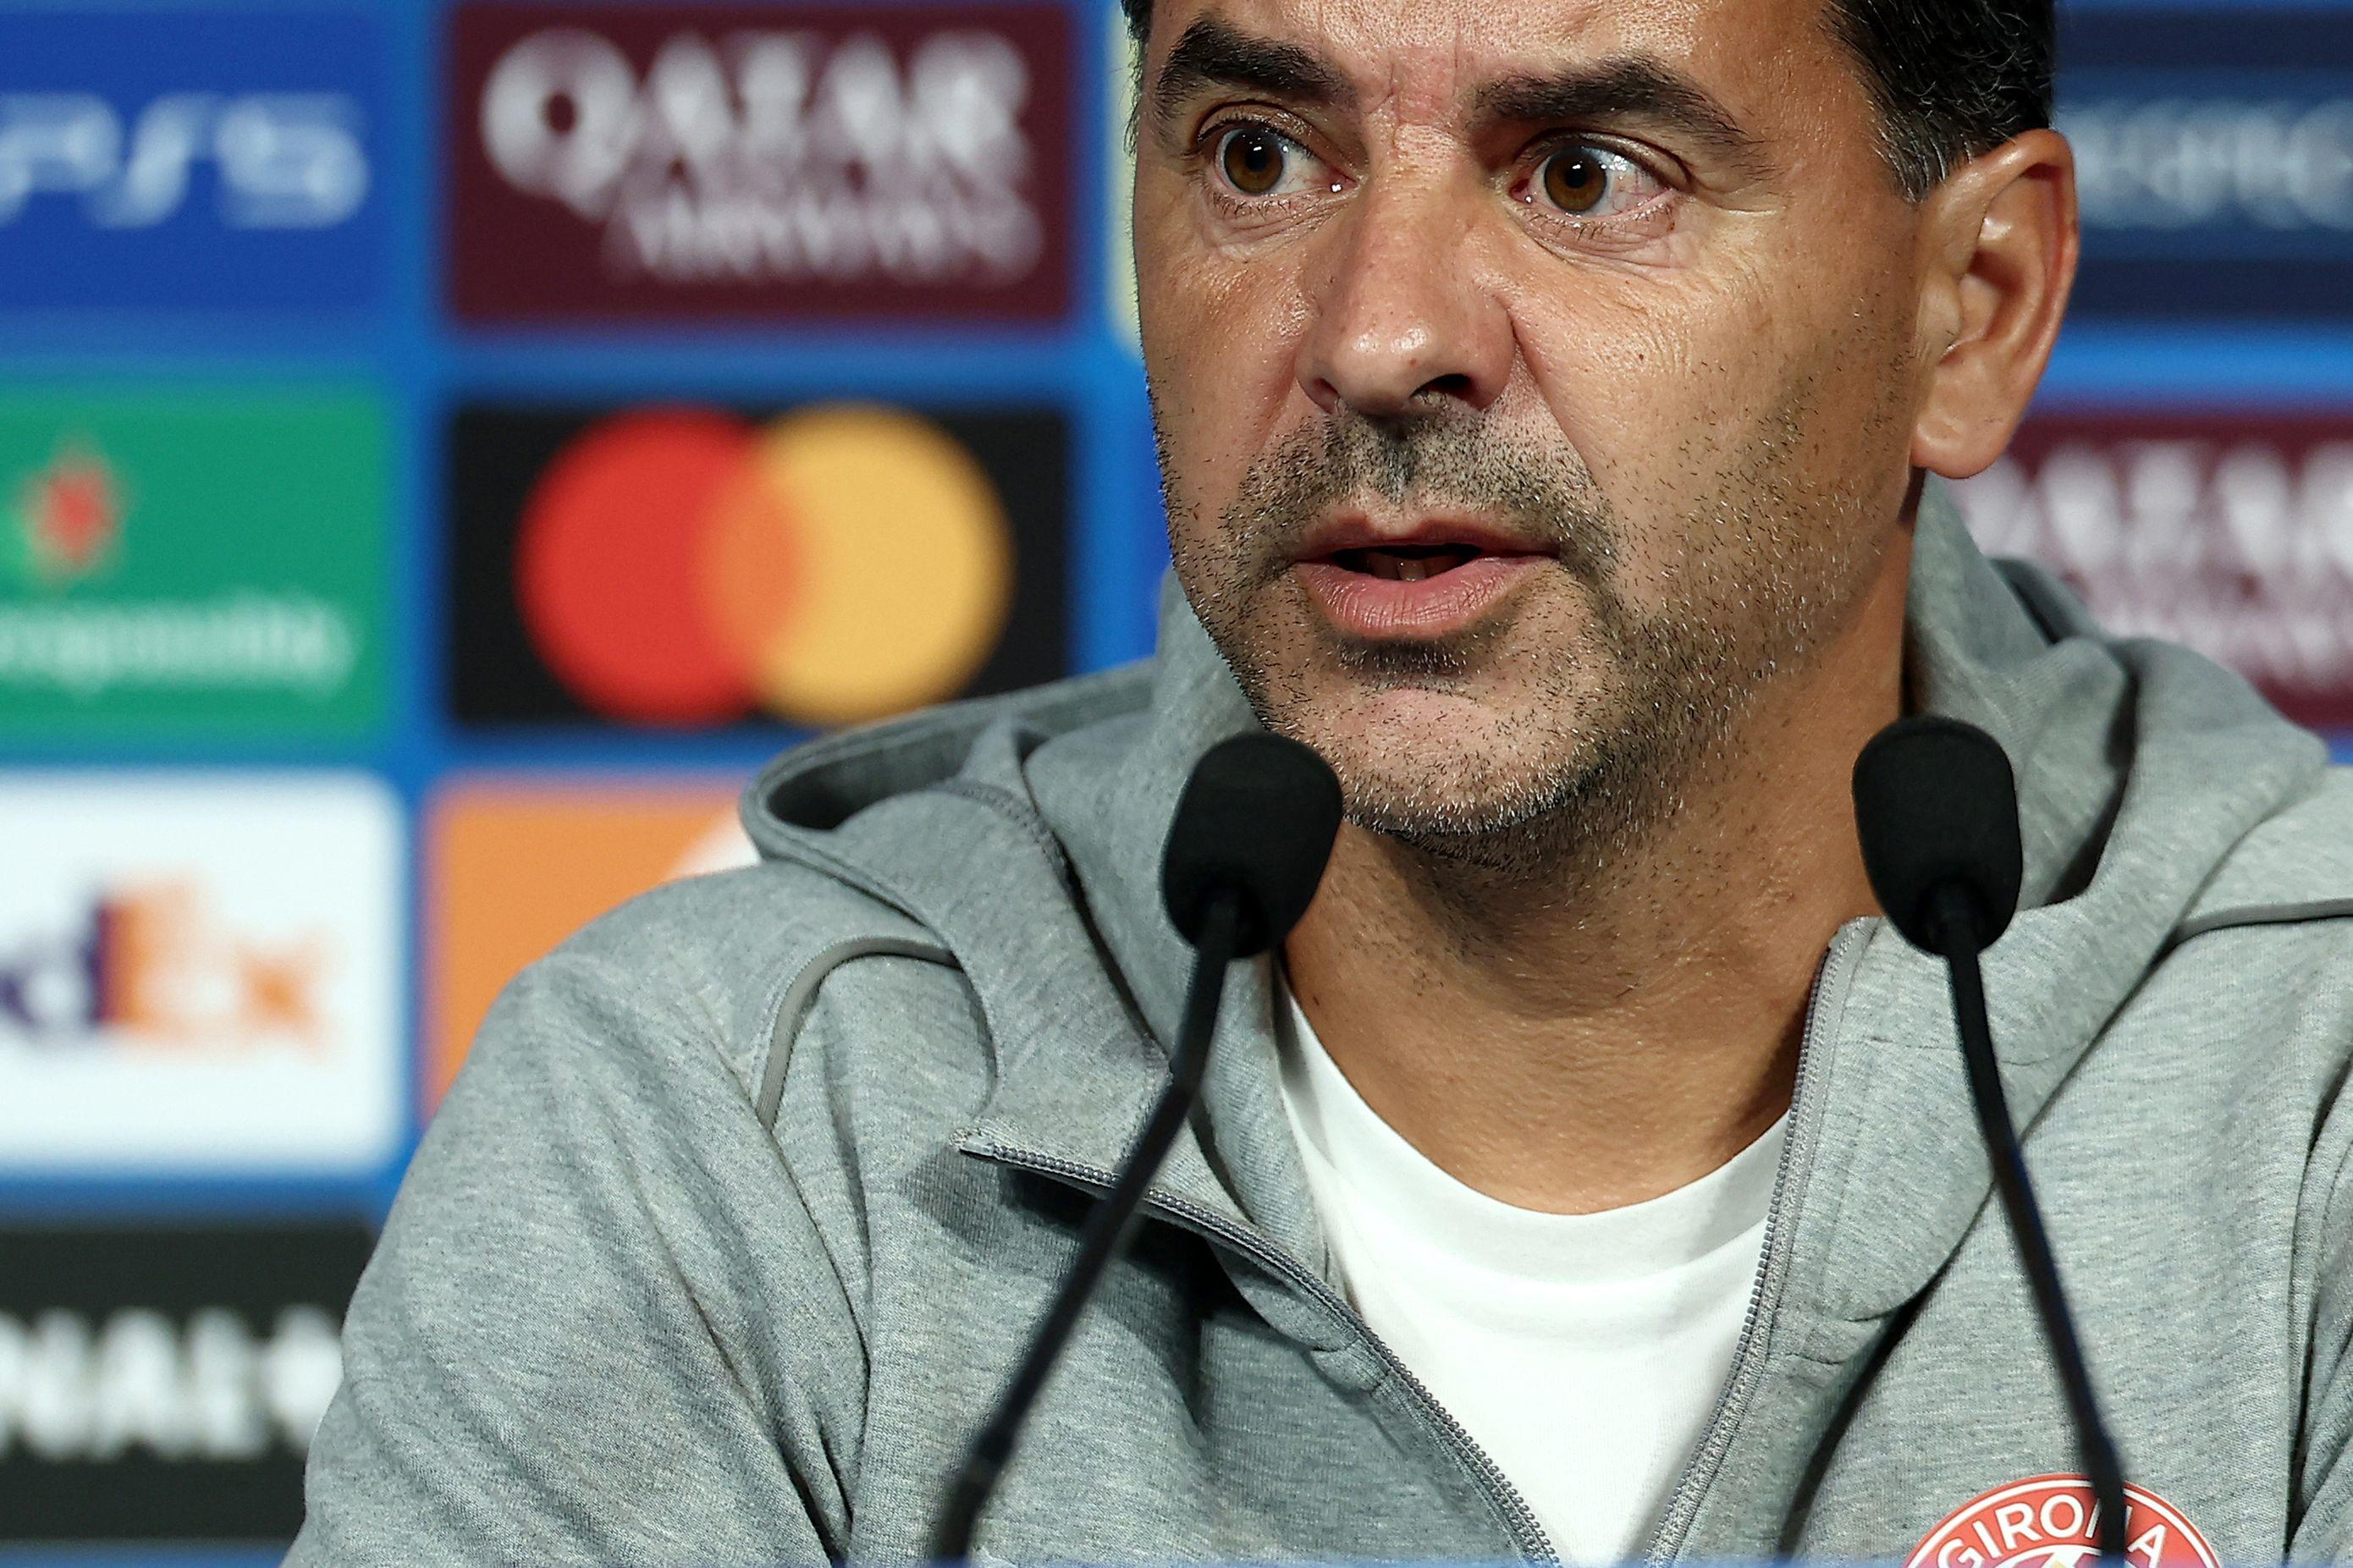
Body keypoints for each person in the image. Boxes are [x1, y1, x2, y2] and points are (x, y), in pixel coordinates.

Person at [290, 0, 2353, 1561]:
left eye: (1585, 174)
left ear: (1969, 305)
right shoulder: (724, 1129)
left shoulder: (2315, 1081)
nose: (1379, 336)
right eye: (1262, 156)